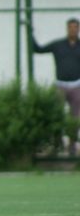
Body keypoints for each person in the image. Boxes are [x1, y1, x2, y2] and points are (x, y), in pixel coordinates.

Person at [32, 18, 80, 155]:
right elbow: (38, 49)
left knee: (75, 118)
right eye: (70, 27)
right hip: (60, 86)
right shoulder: (58, 45)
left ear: (78, 29)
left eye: (75, 27)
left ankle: (72, 148)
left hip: (77, 86)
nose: (73, 30)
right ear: (67, 29)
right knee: (57, 116)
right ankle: (57, 145)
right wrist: (31, 33)